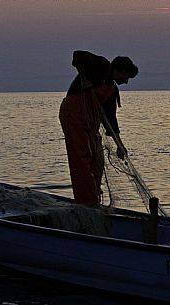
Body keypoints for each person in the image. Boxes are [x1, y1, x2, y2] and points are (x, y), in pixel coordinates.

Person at [59, 50, 138, 207]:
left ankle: (94, 196)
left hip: (90, 123)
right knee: (82, 159)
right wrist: (83, 79)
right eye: (127, 77)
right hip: (74, 117)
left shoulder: (112, 90)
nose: (127, 82)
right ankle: (86, 202)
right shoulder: (102, 65)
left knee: (98, 160)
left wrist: (120, 145)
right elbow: (78, 55)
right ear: (120, 70)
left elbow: (110, 121)